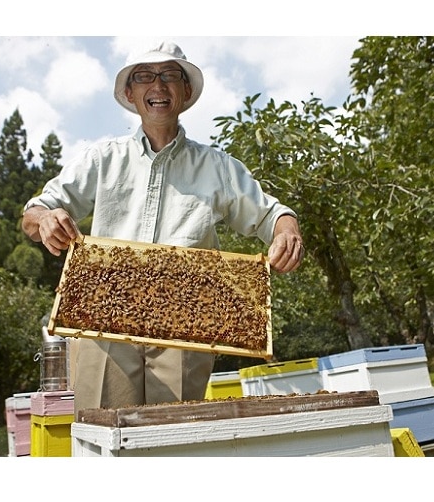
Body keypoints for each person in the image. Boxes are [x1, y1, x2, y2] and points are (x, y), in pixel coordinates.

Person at [22, 41, 304, 417]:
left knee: (171, 440)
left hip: (185, 331)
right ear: (129, 92)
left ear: (186, 91)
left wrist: (288, 232)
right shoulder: (102, 158)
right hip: (103, 324)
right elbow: (35, 210)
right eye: (145, 76)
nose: (158, 86)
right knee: (106, 435)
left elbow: (273, 215)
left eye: (170, 75)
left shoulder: (217, 167)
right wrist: (45, 220)